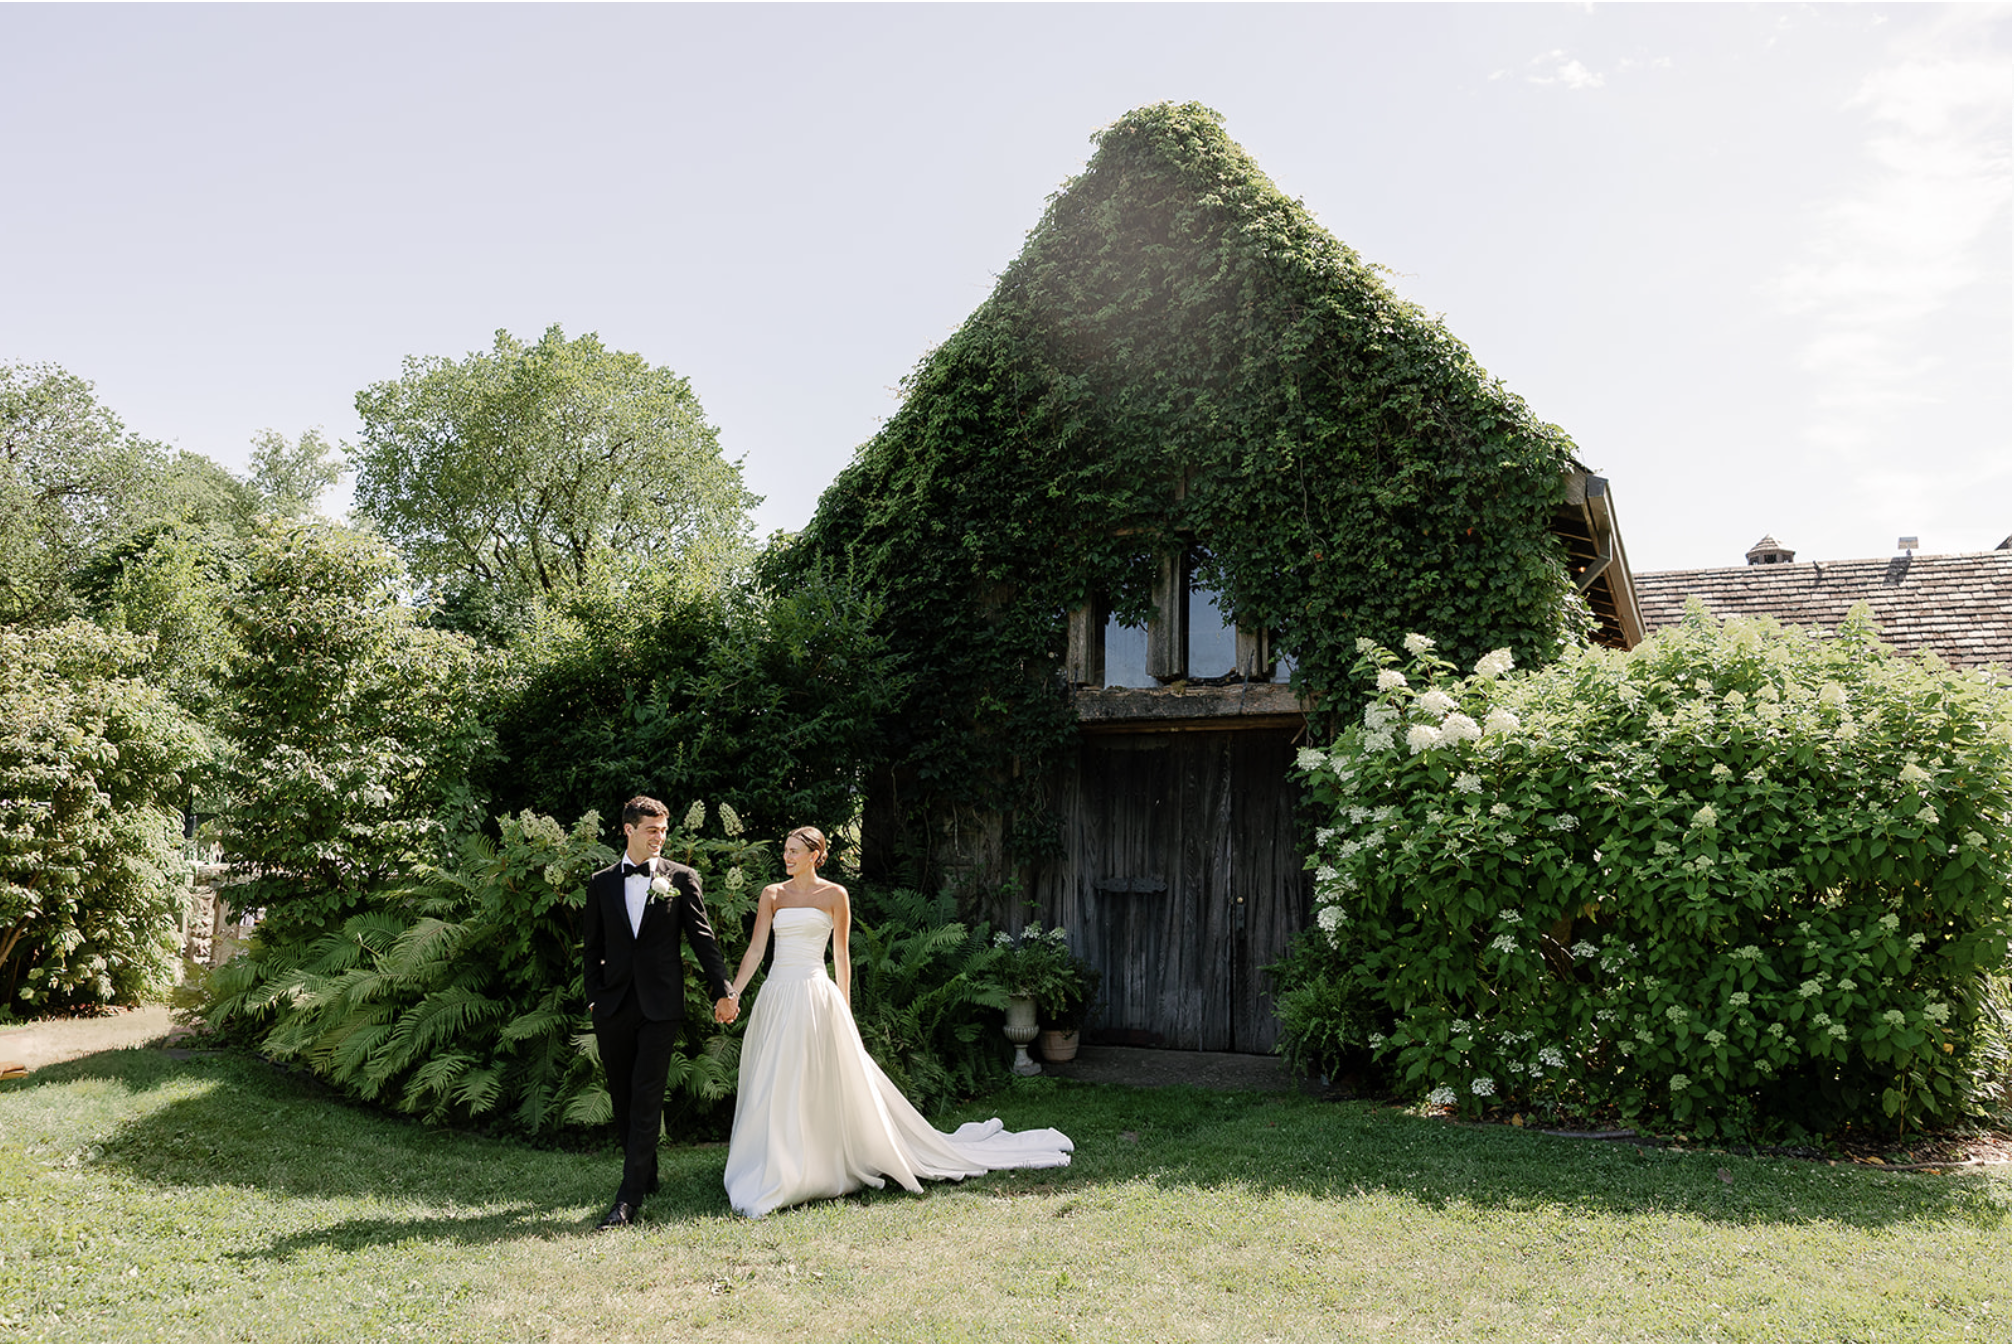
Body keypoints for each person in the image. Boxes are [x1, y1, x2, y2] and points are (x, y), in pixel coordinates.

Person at [722, 825, 1073, 1218]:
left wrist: (844, 1009)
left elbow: (841, 958)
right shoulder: (772, 894)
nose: (786, 857)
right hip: (777, 994)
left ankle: (814, 1163)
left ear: (815, 855)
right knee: (775, 1078)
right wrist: (733, 992)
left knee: (811, 1078)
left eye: (794, 851)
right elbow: (756, 950)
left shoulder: (835, 895)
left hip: (814, 995)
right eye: (785, 850)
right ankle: (774, 1162)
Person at [582, 795, 739, 1229]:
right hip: (612, 1005)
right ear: (628, 829)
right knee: (624, 1097)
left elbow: (703, 940)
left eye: (664, 831)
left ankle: (628, 1198)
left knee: (648, 1096)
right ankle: (646, 1175)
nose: (660, 838)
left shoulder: (681, 878)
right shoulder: (601, 882)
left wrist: (723, 990)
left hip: (660, 1006)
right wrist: (594, 997)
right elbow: (592, 948)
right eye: (652, 830)